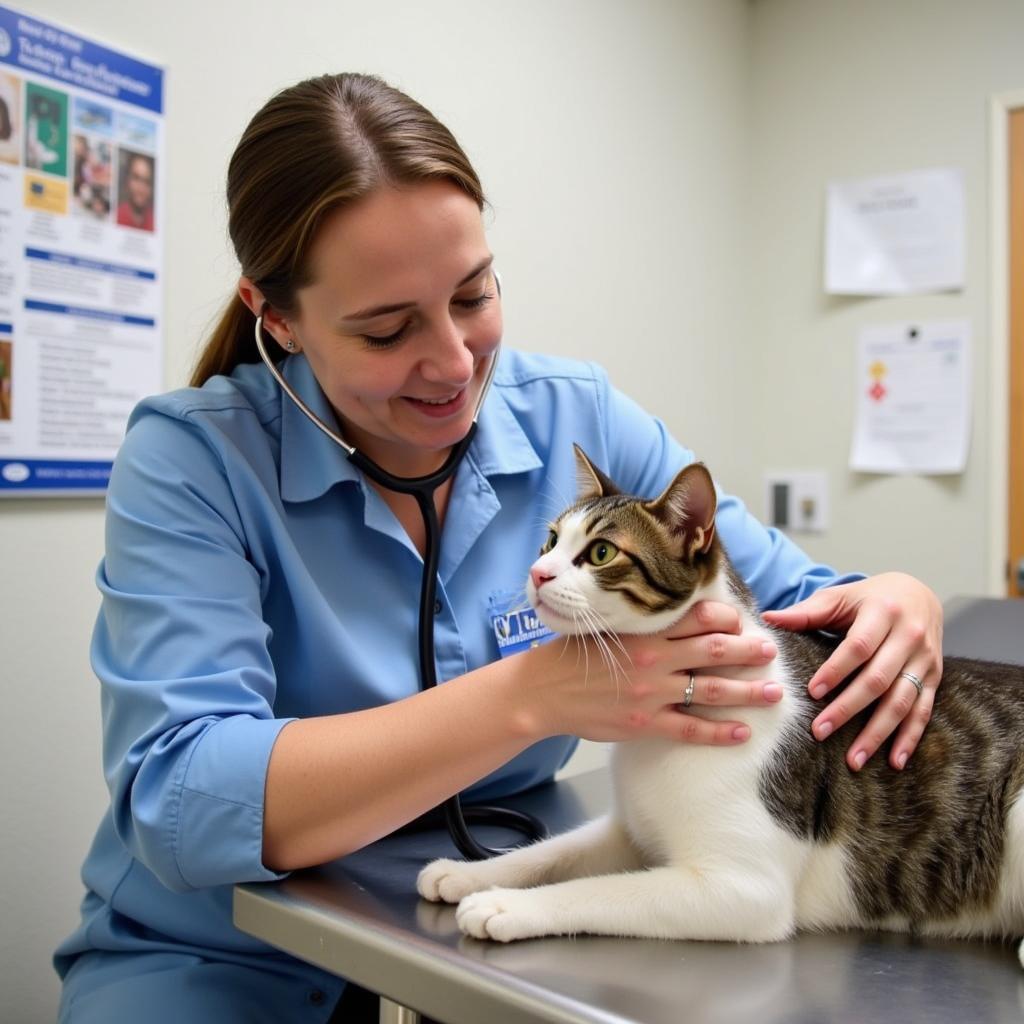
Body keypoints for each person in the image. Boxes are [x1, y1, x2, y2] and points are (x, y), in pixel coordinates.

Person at [54, 73, 943, 1023]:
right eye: (387, 329)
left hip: (489, 937)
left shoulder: (571, 411)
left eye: (473, 296)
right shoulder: (193, 460)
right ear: (279, 319)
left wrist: (893, 598)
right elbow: (182, 802)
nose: (452, 362)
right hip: (220, 960)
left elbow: (782, 601)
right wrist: (529, 696)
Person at [115, 151, 155, 231]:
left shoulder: (155, 222)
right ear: (127, 180)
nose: (141, 188)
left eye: (147, 182)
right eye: (136, 178)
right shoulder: (116, 217)